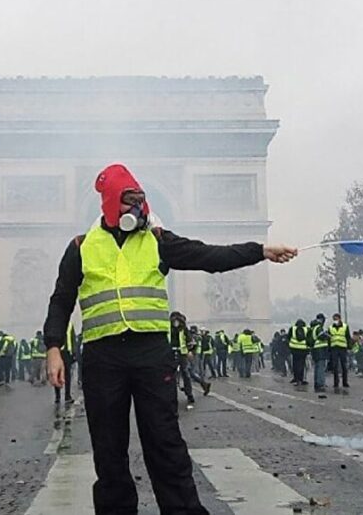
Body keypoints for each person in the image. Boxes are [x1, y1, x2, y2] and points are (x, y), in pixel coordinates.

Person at [42, 163, 296, 514]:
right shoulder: (80, 247)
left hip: (151, 355)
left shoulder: (159, 241)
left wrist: (260, 251)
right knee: (108, 454)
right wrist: (53, 346)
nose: (138, 209)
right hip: (103, 359)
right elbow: (61, 299)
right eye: (130, 200)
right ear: (111, 204)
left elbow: (210, 256)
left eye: (141, 200)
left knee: (166, 447)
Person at [327, 314, 351, 393]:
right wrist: (329, 349)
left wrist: (349, 347)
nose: (335, 320)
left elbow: (348, 337)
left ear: (340, 319)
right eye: (334, 319)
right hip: (334, 348)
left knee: (344, 365)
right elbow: (329, 339)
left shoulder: (345, 327)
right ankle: (336, 383)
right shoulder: (330, 328)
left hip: (342, 348)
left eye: (336, 319)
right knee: (335, 366)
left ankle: (345, 382)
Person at [308, 315, 329, 391]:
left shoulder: (313, 327)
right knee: (321, 367)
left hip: (315, 350)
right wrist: (328, 336)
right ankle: (320, 384)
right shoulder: (318, 327)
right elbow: (321, 335)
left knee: (317, 367)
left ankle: (317, 383)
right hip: (320, 349)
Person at [288, 319, 310, 386]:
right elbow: (309, 339)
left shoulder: (292, 329)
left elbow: (288, 337)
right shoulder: (307, 329)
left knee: (295, 364)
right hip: (303, 349)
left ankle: (296, 378)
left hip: (294, 349)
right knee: (302, 364)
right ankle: (301, 378)